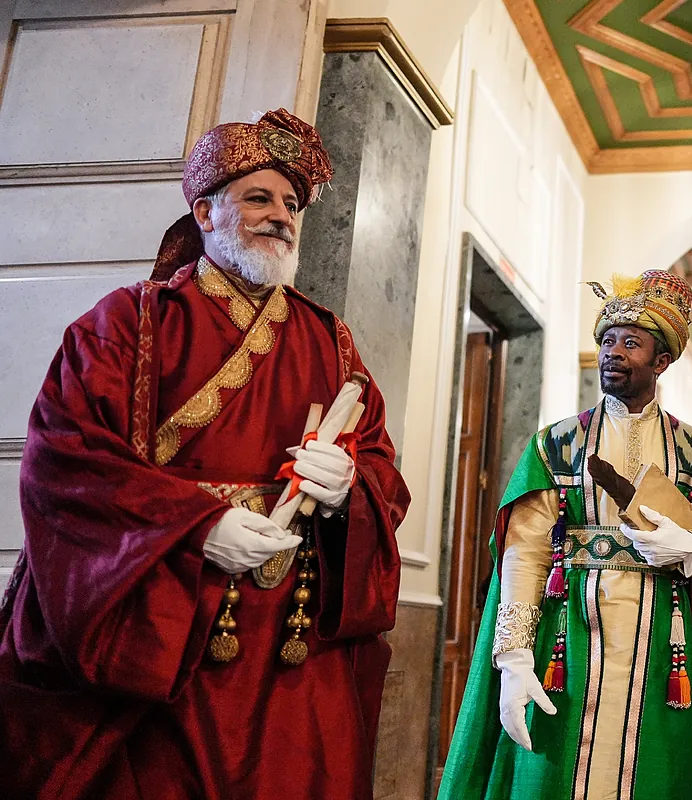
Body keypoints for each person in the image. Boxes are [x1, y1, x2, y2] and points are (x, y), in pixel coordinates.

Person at [0, 109, 410, 799]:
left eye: (290, 203)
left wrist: (350, 486)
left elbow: (380, 467)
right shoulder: (126, 322)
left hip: (288, 644)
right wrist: (198, 526)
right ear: (204, 211)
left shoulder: (330, 337)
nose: (280, 215)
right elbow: (66, 462)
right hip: (164, 630)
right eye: (258, 198)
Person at [440, 270, 692, 800]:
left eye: (630, 343)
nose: (612, 352)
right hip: (568, 637)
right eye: (606, 341)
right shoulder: (554, 444)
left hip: (661, 642)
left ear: (662, 361)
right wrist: (512, 655)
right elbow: (525, 551)